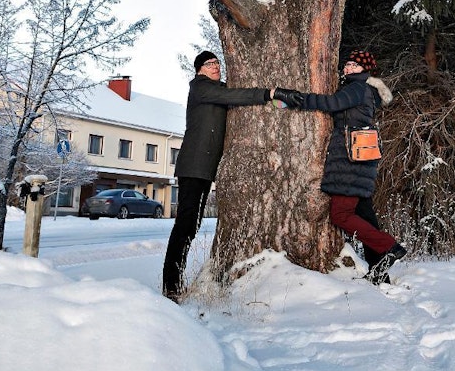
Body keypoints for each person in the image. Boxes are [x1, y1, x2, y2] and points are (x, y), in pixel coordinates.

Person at [274, 49, 405, 284]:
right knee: (365, 217)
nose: (348, 68)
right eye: (347, 64)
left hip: (350, 160)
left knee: (341, 215)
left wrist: (296, 99)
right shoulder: (365, 89)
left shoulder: (357, 87)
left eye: (354, 65)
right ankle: (380, 273)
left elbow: (331, 103)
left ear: (364, 70)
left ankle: (390, 247)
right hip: (360, 158)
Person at [162, 50, 274, 301]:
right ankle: (171, 285)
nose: (215, 66)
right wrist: (267, 94)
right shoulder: (200, 88)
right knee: (185, 225)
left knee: (192, 225)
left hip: (204, 169)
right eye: (209, 63)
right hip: (193, 167)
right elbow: (232, 95)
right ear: (199, 69)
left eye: (217, 62)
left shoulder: (216, 88)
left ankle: (173, 282)